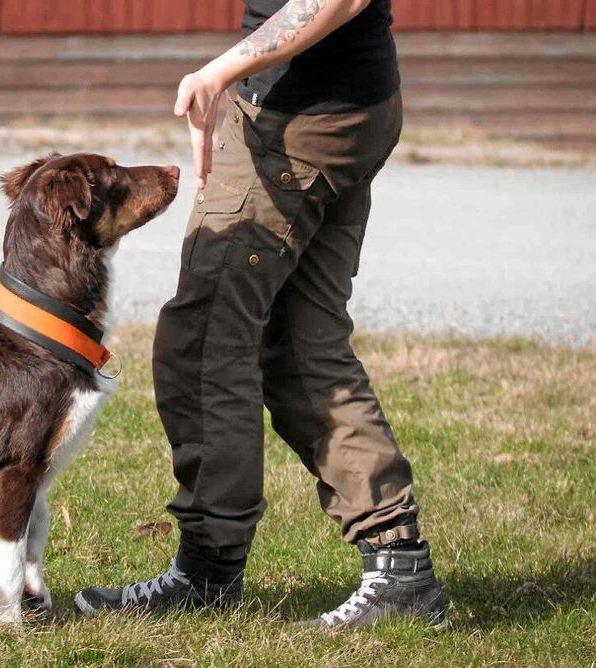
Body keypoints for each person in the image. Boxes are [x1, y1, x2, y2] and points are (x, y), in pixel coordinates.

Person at [74, 0, 447, 628]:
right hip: (343, 105)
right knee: (300, 340)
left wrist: (223, 69)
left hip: (298, 123)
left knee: (204, 337)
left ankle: (208, 570)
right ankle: (397, 564)